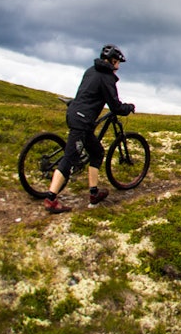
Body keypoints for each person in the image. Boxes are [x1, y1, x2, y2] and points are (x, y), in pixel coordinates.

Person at [43, 44, 136, 214]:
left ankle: (94, 193)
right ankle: (51, 199)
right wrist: (128, 108)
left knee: (97, 152)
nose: (119, 67)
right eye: (118, 63)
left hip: (76, 114)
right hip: (81, 120)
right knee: (70, 158)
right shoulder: (107, 78)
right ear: (113, 61)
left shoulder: (91, 70)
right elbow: (114, 106)